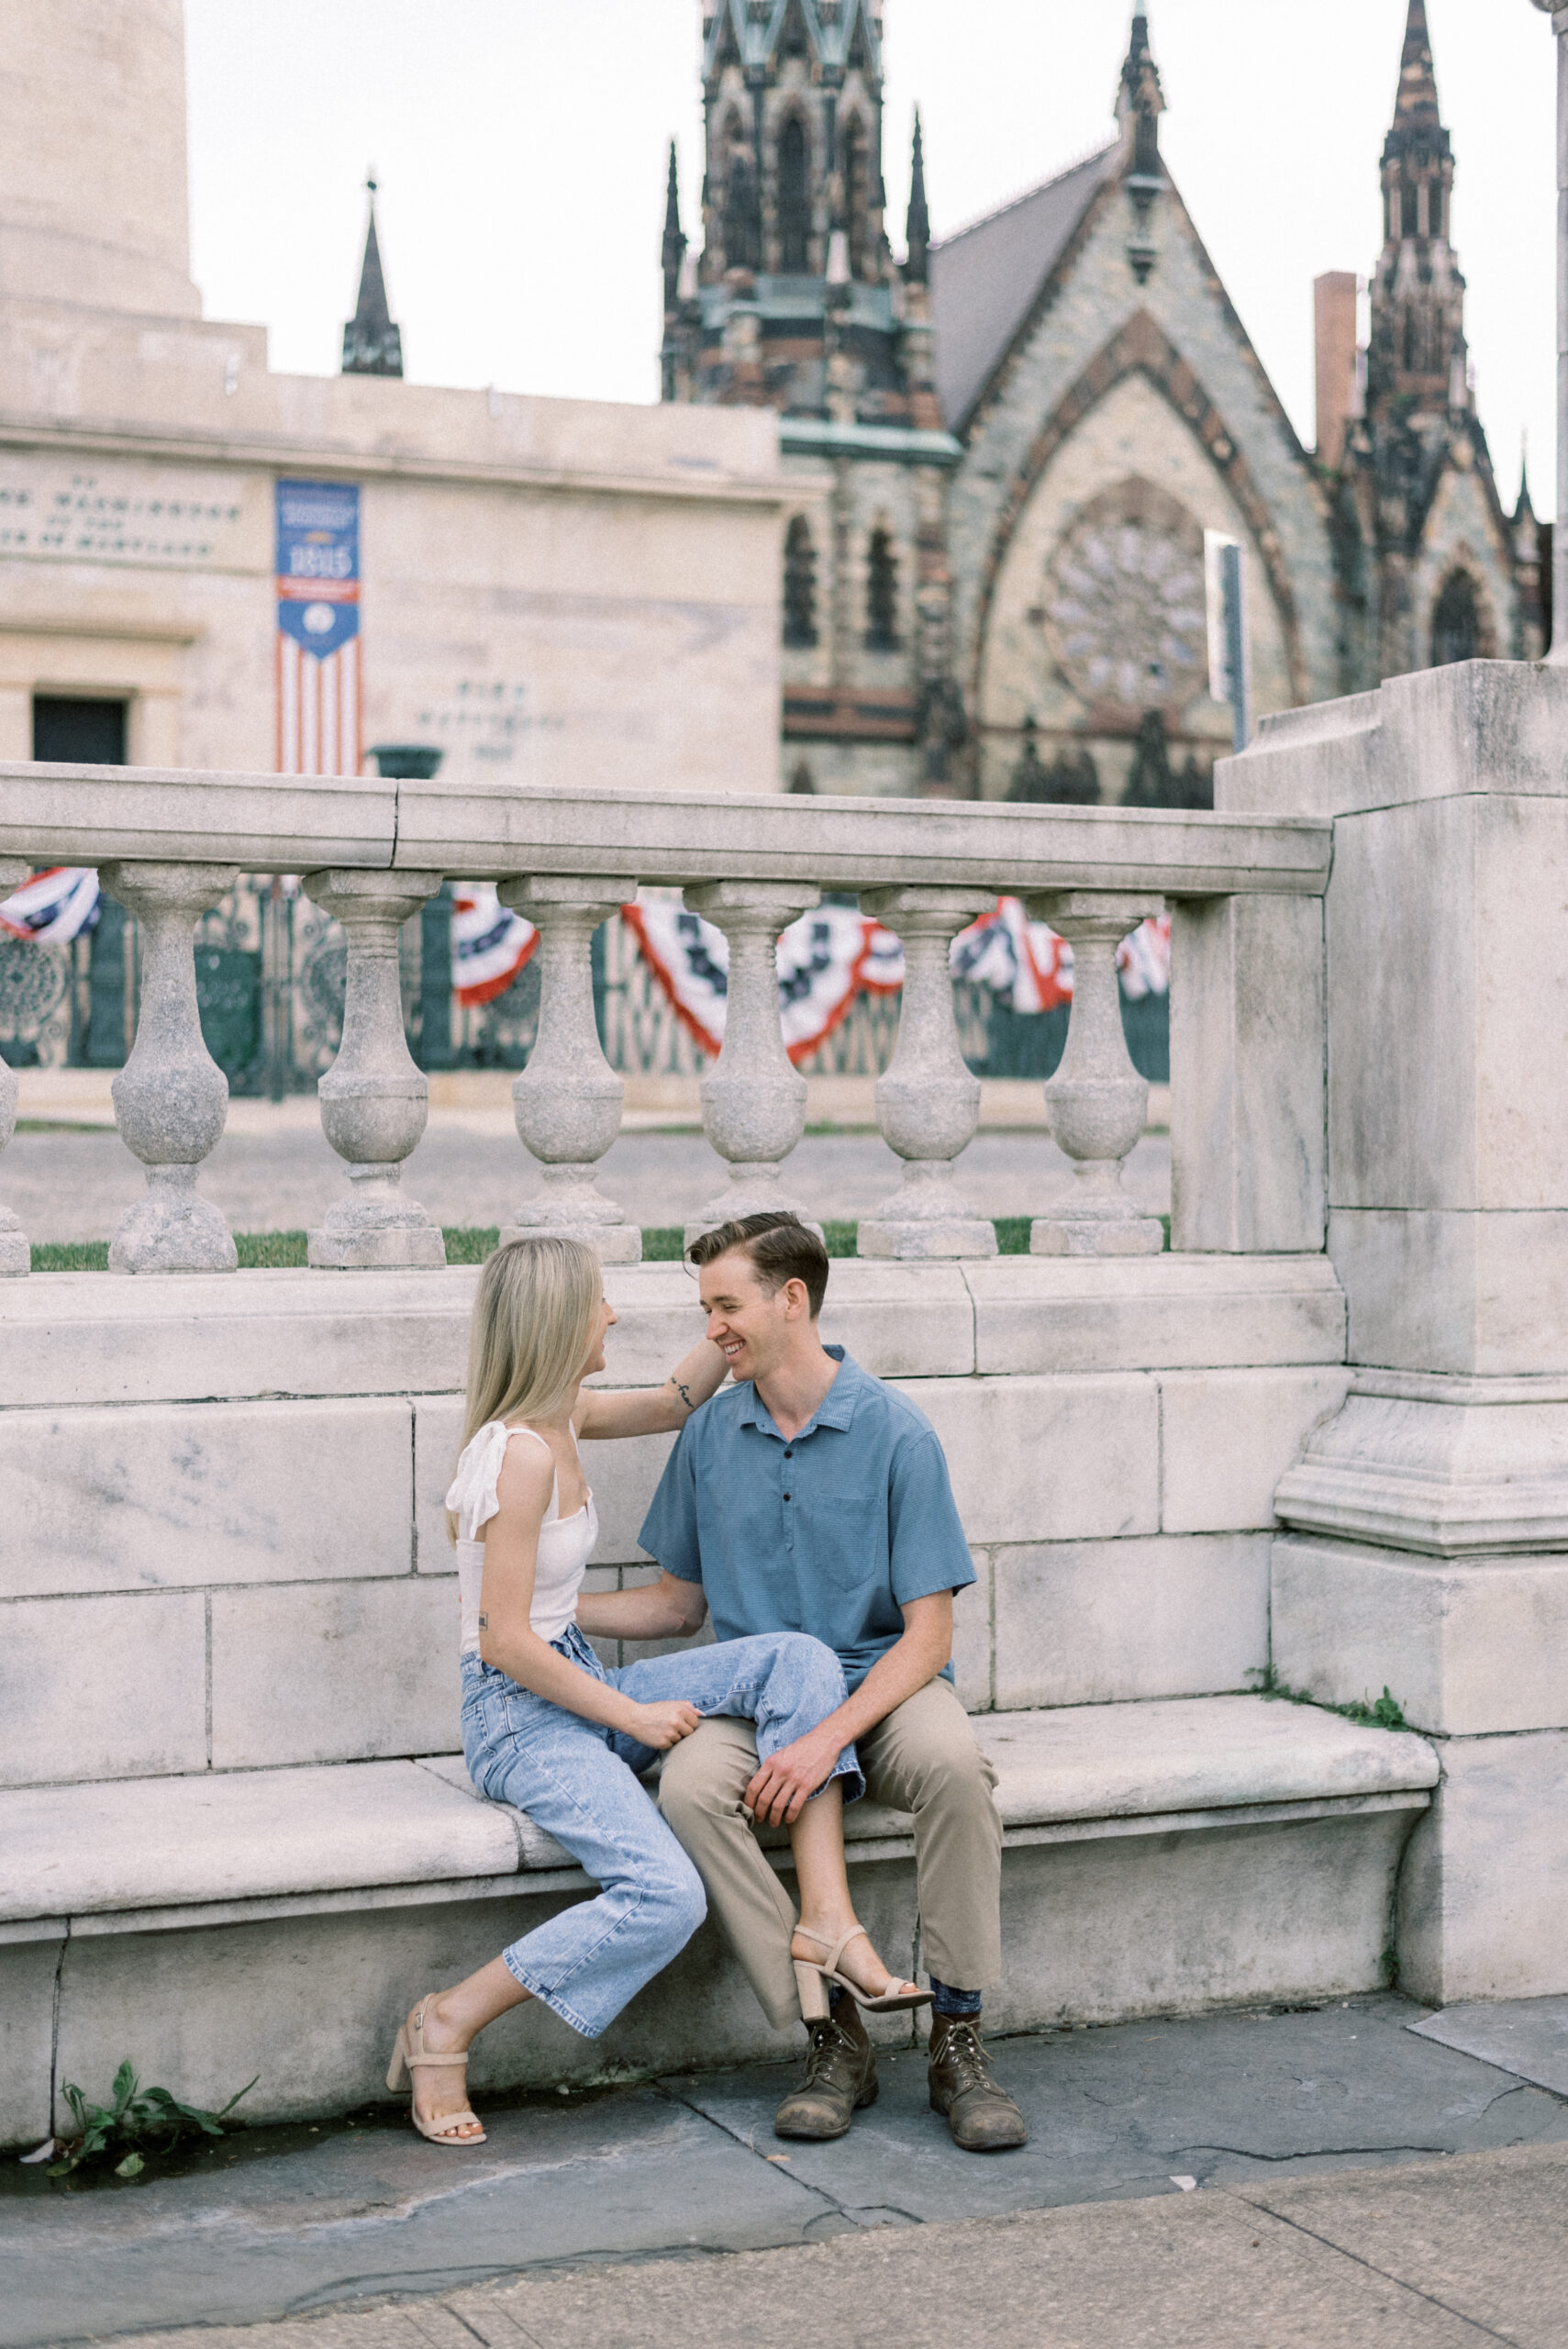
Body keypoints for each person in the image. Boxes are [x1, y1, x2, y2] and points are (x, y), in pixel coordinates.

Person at [387, 1233, 926, 2148]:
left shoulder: (563, 1415)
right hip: (521, 1720)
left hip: (576, 1684)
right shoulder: (516, 1454)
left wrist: (734, 1306)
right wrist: (630, 1713)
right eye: (598, 1300)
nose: (612, 1313)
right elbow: (505, 1640)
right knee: (663, 1895)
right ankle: (446, 2021)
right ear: (560, 1319)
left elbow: (681, 1400)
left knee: (793, 1659)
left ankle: (827, 1919)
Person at [639, 1211, 1028, 2153]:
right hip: (750, 1692)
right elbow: (674, 1606)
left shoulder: (895, 1431)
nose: (711, 1330)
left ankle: (957, 2037)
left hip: (878, 1685)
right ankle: (832, 2034)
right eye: (704, 1309)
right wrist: (542, 1616)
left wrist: (823, 1736)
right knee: (690, 1791)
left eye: (725, 1306)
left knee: (953, 1770)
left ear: (791, 1299)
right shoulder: (706, 1434)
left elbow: (927, 1634)